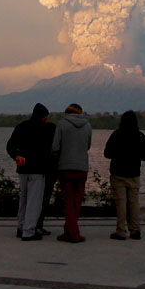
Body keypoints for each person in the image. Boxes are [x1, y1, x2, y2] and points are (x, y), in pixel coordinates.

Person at [6, 103, 52, 241]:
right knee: (34, 201)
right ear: (43, 116)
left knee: (24, 198)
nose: (46, 119)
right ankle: (29, 231)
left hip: (23, 168)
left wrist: (16, 156)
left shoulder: (21, 127)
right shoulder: (45, 129)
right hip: (37, 170)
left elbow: (10, 146)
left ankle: (21, 227)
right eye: (45, 117)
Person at [103, 110, 145, 240]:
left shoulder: (116, 135)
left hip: (118, 174)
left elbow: (107, 153)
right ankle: (135, 230)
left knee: (121, 203)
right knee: (134, 203)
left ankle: (121, 230)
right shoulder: (140, 136)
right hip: (134, 174)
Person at [52, 103, 91, 243]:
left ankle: (73, 234)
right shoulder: (87, 126)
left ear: (67, 112)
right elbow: (87, 146)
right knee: (76, 201)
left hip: (66, 168)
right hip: (82, 168)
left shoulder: (62, 125)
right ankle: (68, 230)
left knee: (68, 201)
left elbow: (55, 147)